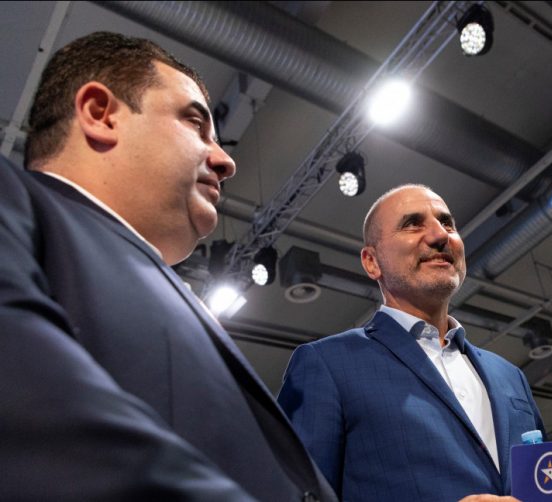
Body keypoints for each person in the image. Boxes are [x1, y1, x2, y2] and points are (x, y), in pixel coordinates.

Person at [0, 31, 335, 501]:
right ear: (100, 114)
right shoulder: (15, 201)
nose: (225, 161)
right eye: (195, 123)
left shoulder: (163, 286)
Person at [278, 184, 552, 501]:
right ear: (372, 261)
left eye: (447, 223)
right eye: (412, 224)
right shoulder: (327, 364)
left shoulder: (511, 377)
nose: (440, 235)